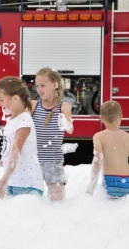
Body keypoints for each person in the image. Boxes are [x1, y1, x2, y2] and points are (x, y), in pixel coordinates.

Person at [0, 76, 44, 199]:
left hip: (27, 182)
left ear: (15, 98)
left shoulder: (23, 120)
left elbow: (16, 150)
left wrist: (4, 179)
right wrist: (4, 159)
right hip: (15, 180)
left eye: (1, 99)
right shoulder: (12, 119)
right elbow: (11, 146)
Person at [31, 67, 74, 202]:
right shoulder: (33, 105)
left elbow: (70, 129)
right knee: (30, 203)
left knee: (57, 204)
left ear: (55, 85)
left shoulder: (64, 106)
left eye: (43, 85)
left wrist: (66, 123)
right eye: (37, 86)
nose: (39, 89)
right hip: (33, 161)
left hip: (53, 161)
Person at [87, 100, 129, 198]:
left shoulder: (99, 136)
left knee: (109, 210)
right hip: (127, 181)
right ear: (121, 117)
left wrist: (91, 186)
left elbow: (97, 159)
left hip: (110, 181)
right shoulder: (127, 137)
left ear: (101, 118)